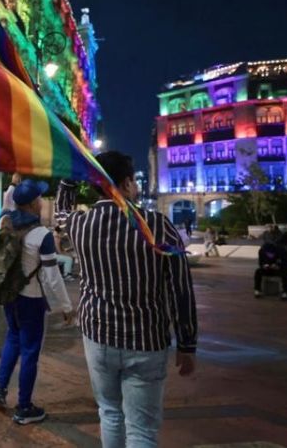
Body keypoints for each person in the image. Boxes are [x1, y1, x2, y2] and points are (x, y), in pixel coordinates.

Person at [65, 151, 197, 448]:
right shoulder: (158, 225)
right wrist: (187, 343)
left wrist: (70, 176)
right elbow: (181, 289)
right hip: (146, 340)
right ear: (126, 183)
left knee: (110, 413)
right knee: (142, 430)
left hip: (98, 336)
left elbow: (62, 211)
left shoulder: (80, 225)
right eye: (134, 180)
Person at [0, 179, 74, 425]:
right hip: (31, 299)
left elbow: (7, 202)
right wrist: (66, 306)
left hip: (10, 296)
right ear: (32, 204)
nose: (41, 201)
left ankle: (0, 389)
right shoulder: (41, 234)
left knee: (12, 339)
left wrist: (13, 185)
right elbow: (52, 275)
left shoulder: (4, 222)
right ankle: (24, 407)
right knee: (29, 352)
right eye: (38, 198)